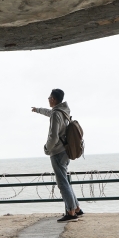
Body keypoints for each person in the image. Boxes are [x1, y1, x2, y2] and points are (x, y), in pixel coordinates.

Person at [31, 89, 83, 222]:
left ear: (53, 99)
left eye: (49, 97)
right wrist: (37, 110)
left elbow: (53, 136)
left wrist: (47, 149)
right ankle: (76, 208)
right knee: (65, 180)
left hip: (58, 152)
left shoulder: (56, 114)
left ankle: (71, 213)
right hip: (66, 150)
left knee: (62, 183)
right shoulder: (63, 111)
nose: (48, 99)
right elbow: (49, 112)